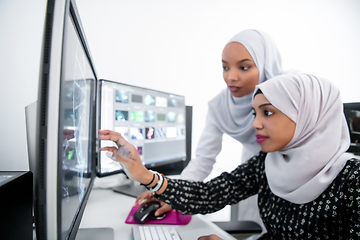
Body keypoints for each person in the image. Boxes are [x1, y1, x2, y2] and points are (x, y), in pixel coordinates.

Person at [99, 72, 360, 239]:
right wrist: (144, 175)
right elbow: (210, 195)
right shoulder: (267, 163)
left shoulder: (353, 181)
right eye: (254, 114)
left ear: (306, 115)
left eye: (267, 112)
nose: (255, 124)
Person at [136, 29, 282, 233]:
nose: (231, 77)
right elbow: (204, 159)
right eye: (225, 67)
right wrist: (171, 193)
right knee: (255, 228)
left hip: (288, 174)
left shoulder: (289, 95)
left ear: (266, 65)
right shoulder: (220, 106)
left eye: (244, 67)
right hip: (251, 175)